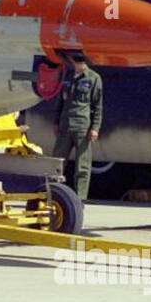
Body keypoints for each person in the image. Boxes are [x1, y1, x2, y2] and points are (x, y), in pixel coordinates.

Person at [52, 50, 103, 201]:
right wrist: (56, 122)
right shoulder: (67, 76)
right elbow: (60, 102)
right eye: (76, 61)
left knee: (82, 167)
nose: (78, 64)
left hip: (82, 127)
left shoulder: (93, 78)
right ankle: (53, 196)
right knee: (57, 163)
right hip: (65, 126)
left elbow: (98, 105)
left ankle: (79, 200)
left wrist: (95, 128)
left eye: (81, 61)